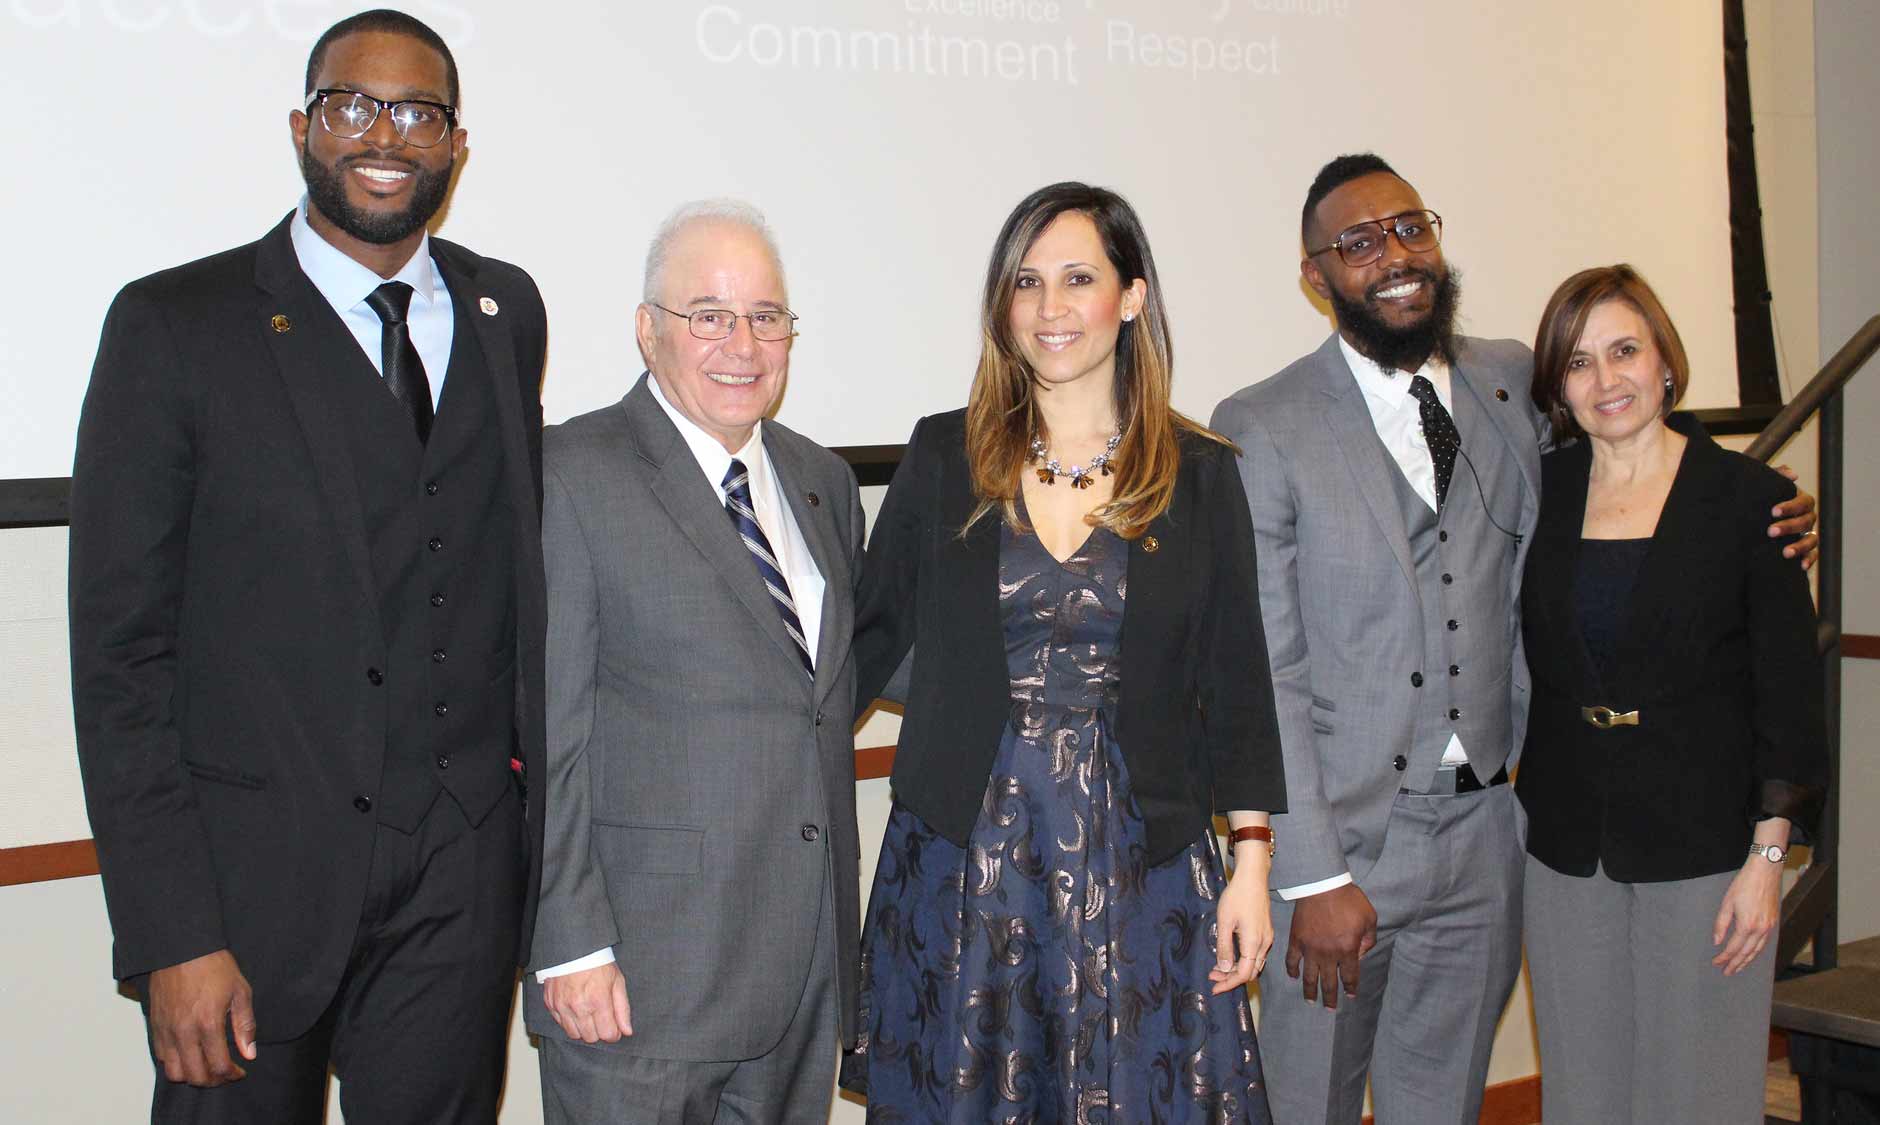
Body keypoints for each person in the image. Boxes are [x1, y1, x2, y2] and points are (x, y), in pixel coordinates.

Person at [1208, 153, 1820, 1125]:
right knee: (1304, 1104)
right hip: (1344, 851)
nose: (1394, 255)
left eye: (1410, 227)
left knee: (1439, 1105)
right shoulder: (1262, 425)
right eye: (1357, 242)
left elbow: (1627, 434)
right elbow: (1267, 665)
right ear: (1315, 276)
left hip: (1491, 840)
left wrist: (1760, 507)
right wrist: (1312, 871)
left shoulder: (1502, 383)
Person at [67, 10, 547, 1122]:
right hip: (244, 901)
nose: (385, 133)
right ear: (302, 128)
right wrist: (170, 930)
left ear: (455, 145)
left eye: (419, 111)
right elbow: (121, 659)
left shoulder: (501, 308)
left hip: (458, 885)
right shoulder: (173, 325)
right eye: (352, 105)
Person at [843, 181, 1286, 1122]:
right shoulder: (938, 458)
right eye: (1026, 282)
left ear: (1130, 298)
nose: (1050, 309)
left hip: (1144, 865)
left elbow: (1235, 682)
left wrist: (1252, 859)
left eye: (1078, 279)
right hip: (964, 863)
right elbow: (859, 647)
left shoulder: (1201, 475)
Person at [524, 200, 864, 1125]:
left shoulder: (823, 483)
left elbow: (821, 701)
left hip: (801, 975)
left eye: (766, 316)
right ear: (648, 330)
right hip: (639, 983)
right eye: (708, 315)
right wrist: (568, 943)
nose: (742, 344)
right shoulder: (568, 474)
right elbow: (545, 733)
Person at [1516, 264, 1826, 1125]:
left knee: (1700, 1091)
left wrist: (1767, 862)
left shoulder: (1750, 501)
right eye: (1579, 363)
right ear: (1558, 387)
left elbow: (1791, 699)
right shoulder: (1537, 494)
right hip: (1567, 845)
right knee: (1583, 1091)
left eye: (1624, 350)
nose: (1606, 380)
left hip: (1709, 850)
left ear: (1665, 363)